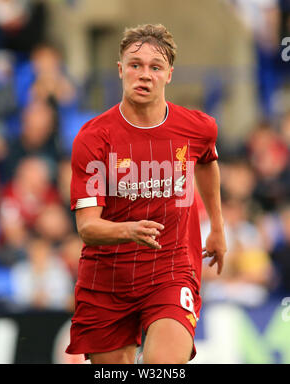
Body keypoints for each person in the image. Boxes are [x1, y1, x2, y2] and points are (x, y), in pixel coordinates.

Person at [66, 24, 226, 364]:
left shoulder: (198, 128)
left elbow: (208, 162)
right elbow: (87, 228)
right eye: (135, 64)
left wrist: (218, 227)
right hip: (107, 281)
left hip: (171, 272)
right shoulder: (94, 139)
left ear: (169, 74)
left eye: (155, 67)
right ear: (120, 69)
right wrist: (129, 230)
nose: (144, 74)